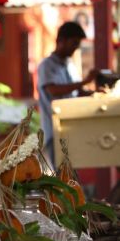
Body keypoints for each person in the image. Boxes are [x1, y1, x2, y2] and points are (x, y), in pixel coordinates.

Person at [37, 21, 98, 165]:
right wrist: (85, 81)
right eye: (73, 43)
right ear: (61, 41)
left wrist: (95, 93)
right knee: (62, 173)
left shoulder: (69, 64)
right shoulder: (47, 65)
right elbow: (54, 90)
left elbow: (76, 92)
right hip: (54, 129)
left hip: (72, 128)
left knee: (72, 172)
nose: (75, 48)